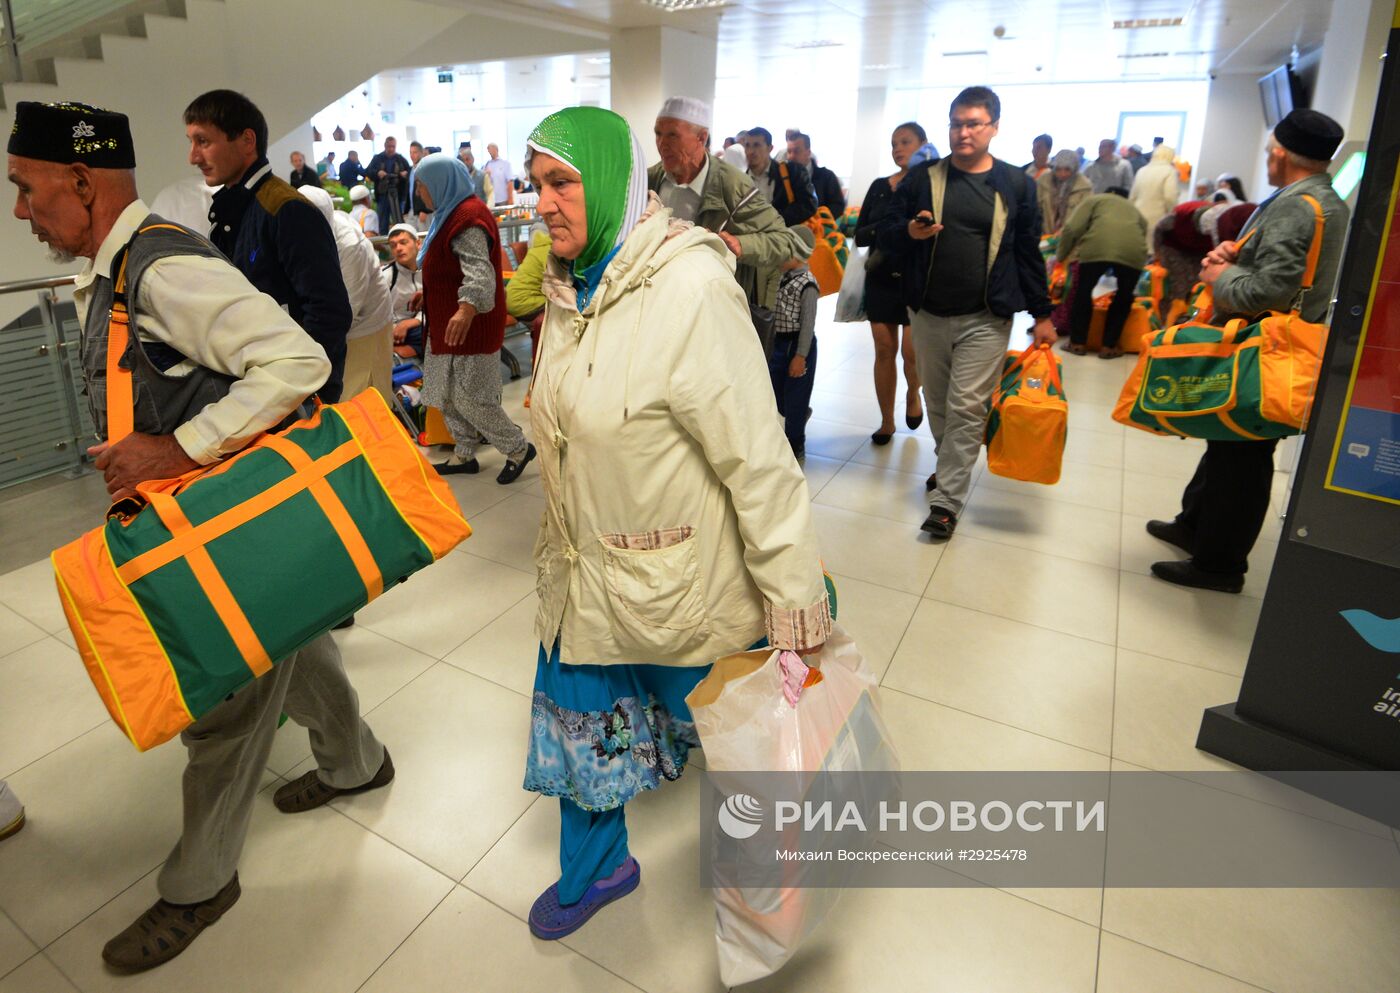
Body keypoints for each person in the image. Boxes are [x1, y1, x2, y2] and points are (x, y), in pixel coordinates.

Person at [8, 99, 392, 972]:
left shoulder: (160, 271)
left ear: (80, 179)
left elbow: (301, 360)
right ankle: (354, 761)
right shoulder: (118, 270)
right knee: (291, 647)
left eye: (27, 190)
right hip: (208, 529)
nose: (21, 212)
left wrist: (171, 447)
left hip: (222, 538)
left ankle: (198, 882)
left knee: (222, 714)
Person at [521, 105, 829, 941]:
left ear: (615, 182)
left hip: (674, 585)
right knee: (581, 731)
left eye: (562, 182)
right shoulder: (569, 284)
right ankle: (598, 867)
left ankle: (777, 888)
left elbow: (757, 458)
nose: (542, 202)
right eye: (536, 181)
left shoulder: (689, 286)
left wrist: (794, 604)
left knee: (740, 745)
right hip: (583, 573)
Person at [1148, 109, 1349, 593]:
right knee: (1228, 442)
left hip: (1266, 346)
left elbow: (1270, 291)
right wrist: (1235, 255)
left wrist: (1222, 276)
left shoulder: (1297, 205)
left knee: (1244, 458)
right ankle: (1194, 526)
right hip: (1278, 343)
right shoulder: (1325, 201)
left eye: (1268, 151)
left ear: (1279, 153)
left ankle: (1219, 565)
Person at [877, 85, 1056, 540]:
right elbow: (887, 229)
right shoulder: (924, 178)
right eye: (956, 123)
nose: (963, 132)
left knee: (966, 406)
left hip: (987, 315)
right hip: (929, 313)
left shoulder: (1015, 185)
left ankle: (947, 501)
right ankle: (949, 465)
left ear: (994, 127)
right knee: (938, 403)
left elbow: (1027, 253)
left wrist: (1043, 314)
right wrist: (911, 234)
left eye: (974, 123)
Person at [185, 89, 353, 403]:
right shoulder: (232, 210)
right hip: (260, 386)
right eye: (192, 142)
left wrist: (303, 388)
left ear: (247, 140)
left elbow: (329, 312)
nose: (193, 157)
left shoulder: (286, 209)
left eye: (203, 141)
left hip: (293, 396)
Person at [412, 152, 535, 483]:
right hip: (446, 324)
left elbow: (480, 273)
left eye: (422, 185)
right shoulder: (448, 214)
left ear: (441, 184)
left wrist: (466, 307)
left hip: (470, 326)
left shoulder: (467, 218)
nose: (420, 192)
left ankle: (519, 449)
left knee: (473, 399)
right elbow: (450, 267)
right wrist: (430, 293)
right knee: (447, 394)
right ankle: (464, 454)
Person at [647, 96, 809, 318]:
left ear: (701, 138)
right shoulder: (650, 181)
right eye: (658, 133)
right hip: (659, 305)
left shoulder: (733, 187)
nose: (662, 144)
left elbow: (787, 241)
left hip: (713, 312)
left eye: (672, 135)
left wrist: (741, 244)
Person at [855, 121, 926, 445]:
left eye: (906, 142)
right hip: (881, 275)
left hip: (916, 278)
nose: (898, 148)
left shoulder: (929, 185)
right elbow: (860, 232)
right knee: (884, 350)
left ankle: (913, 393)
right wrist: (891, 226)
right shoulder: (880, 186)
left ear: (923, 145)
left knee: (913, 354)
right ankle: (886, 422)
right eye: (894, 143)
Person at [300, 185, 393, 400]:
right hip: (335, 323)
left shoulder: (349, 246)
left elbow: (348, 308)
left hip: (365, 324)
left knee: (361, 396)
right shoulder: (309, 231)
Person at [1055, 186, 1147, 358]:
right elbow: (1144, 228)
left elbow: (1071, 228)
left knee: (1083, 291)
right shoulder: (1133, 208)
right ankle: (1108, 346)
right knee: (1124, 297)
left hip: (1097, 247)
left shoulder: (1094, 200)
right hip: (1133, 252)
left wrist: (1061, 256)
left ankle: (1077, 343)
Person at [769, 225, 820, 461]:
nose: (778, 256)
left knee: (795, 396)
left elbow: (807, 324)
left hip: (798, 346)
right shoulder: (783, 277)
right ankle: (780, 433)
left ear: (798, 254)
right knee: (776, 392)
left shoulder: (807, 284)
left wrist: (800, 356)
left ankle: (796, 442)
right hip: (779, 343)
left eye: (783, 251)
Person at [741, 126, 818, 225]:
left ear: (770, 148)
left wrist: (772, 219)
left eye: (757, 145)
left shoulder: (793, 172)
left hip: (785, 233)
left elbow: (808, 205)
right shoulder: (740, 181)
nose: (750, 151)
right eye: (747, 145)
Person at [1128, 143, 1181, 253]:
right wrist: (1173, 216)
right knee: (1152, 251)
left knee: (1136, 249)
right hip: (1157, 218)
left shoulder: (1142, 170)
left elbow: (1132, 197)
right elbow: (1170, 197)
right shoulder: (1170, 171)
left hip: (1138, 217)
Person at [383, 222, 424, 358]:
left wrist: (410, 323)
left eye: (403, 242)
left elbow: (436, 304)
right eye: (393, 245)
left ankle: (405, 351)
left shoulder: (429, 270)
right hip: (392, 330)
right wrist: (396, 328)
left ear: (418, 244)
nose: (398, 248)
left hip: (418, 325)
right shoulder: (386, 276)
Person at [786, 131, 846, 215]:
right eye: (789, 152)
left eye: (797, 151)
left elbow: (838, 206)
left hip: (819, 224)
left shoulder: (827, 176)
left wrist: (819, 218)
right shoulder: (782, 177)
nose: (791, 156)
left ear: (808, 152)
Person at [1036, 148, 1092, 234]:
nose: (1062, 173)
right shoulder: (1043, 181)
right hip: (1044, 235)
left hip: (1071, 237)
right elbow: (1036, 208)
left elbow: (1085, 216)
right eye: (1058, 169)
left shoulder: (1084, 187)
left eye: (1067, 169)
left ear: (1074, 169)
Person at [367, 136, 411, 230]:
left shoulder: (400, 159)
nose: (391, 149)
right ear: (385, 145)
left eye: (393, 146)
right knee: (382, 221)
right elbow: (368, 172)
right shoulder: (377, 158)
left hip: (398, 194)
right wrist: (377, 173)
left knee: (399, 220)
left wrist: (405, 174)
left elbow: (409, 171)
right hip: (382, 195)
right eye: (389, 146)